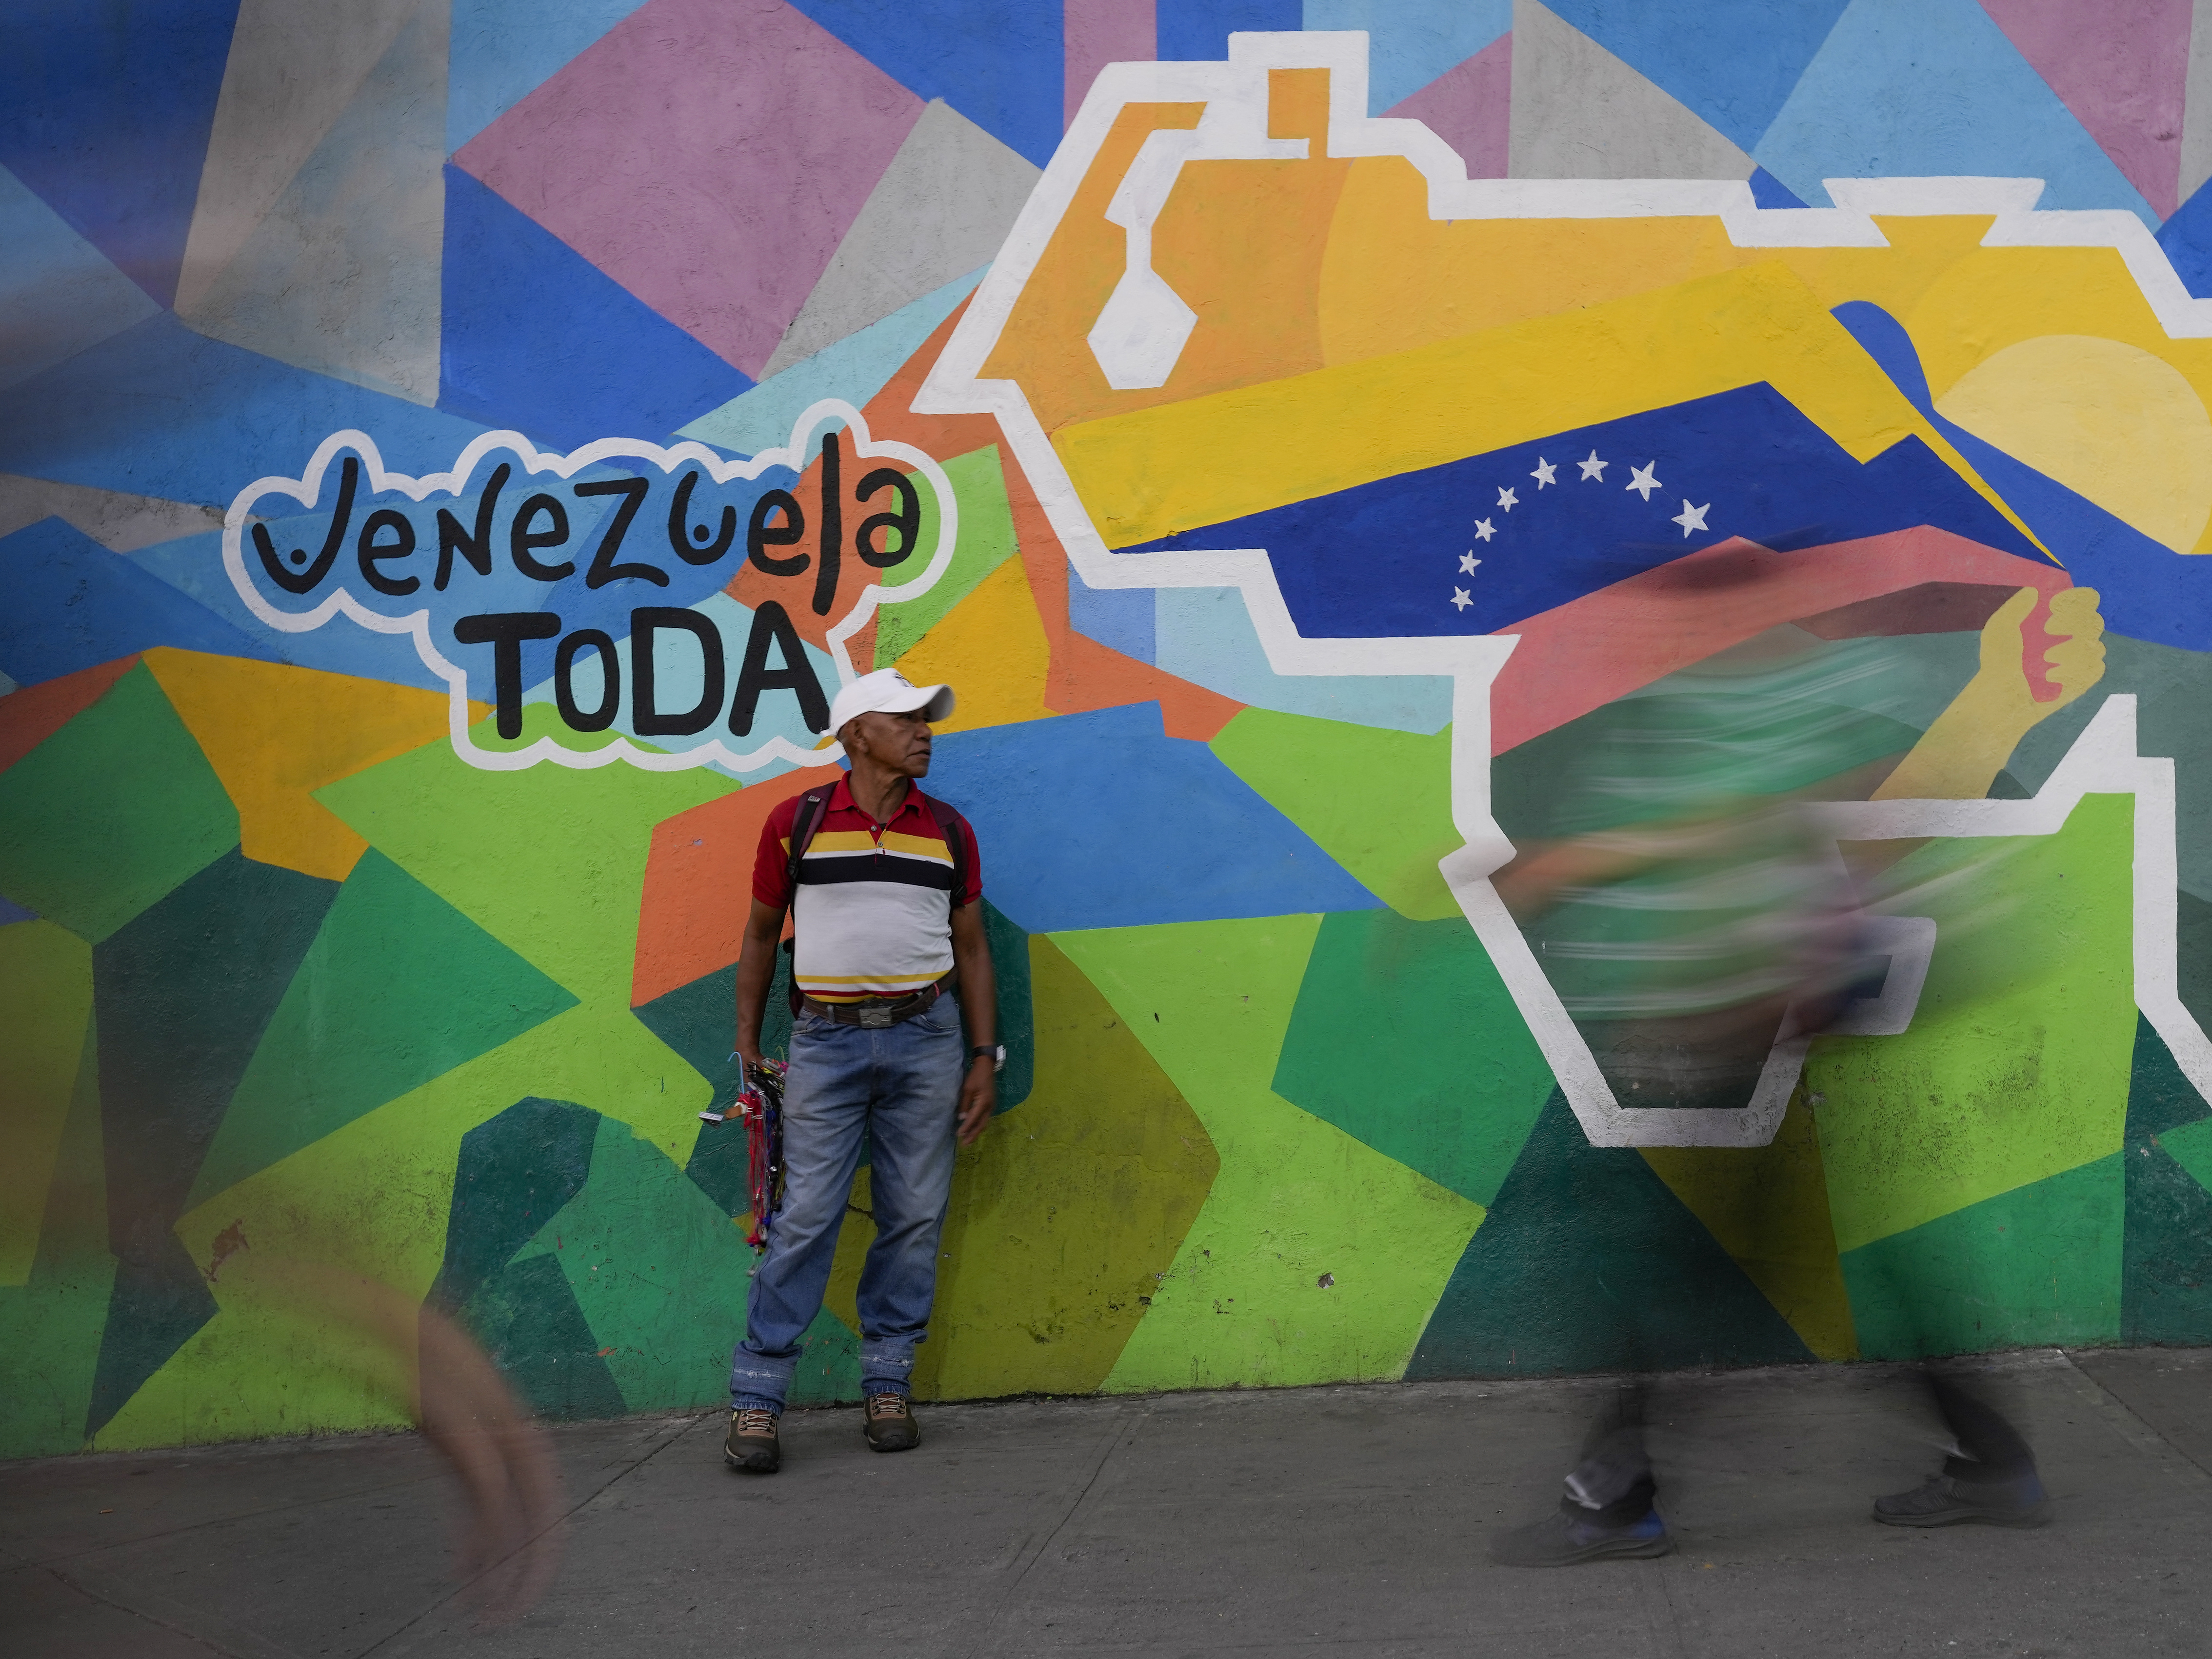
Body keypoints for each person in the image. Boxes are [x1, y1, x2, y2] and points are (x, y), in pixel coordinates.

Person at [1485, 578, 2105, 1565]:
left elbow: (1786, 828)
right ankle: (1991, 1459)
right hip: (1748, 1016)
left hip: (1747, 1016)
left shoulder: (1770, 693)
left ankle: (1616, 1499)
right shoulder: (1741, 692)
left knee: (1684, 1273)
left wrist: (1578, 869)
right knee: (1757, 1265)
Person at [723, 668, 1001, 1475]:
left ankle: (887, 1385)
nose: (924, 730)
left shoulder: (948, 830)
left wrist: (984, 1056)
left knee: (913, 1215)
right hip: (826, 1042)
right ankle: (757, 1396)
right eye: (905, 717)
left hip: (927, 1039)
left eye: (926, 718)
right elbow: (759, 934)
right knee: (807, 1214)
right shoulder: (798, 822)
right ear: (854, 734)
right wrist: (747, 1040)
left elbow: (972, 949)